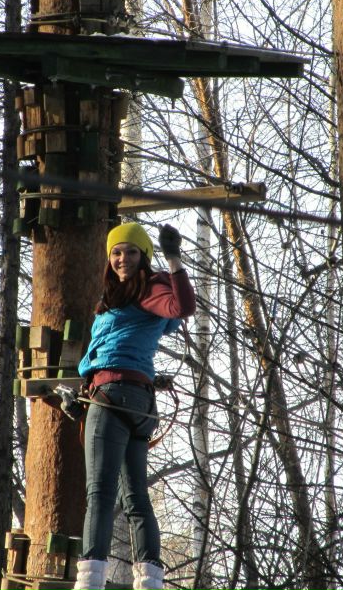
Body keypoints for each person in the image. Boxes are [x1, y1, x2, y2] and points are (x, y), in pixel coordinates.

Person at [73, 222, 196, 590]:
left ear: (144, 255)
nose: (122, 258)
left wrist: (173, 259)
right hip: (136, 402)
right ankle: (150, 581)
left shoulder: (149, 289)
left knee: (99, 491)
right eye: (115, 252)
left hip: (113, 398)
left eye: (130, 251)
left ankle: (90, 581)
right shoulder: (119, 299)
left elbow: (182, 305)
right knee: (135, 497)